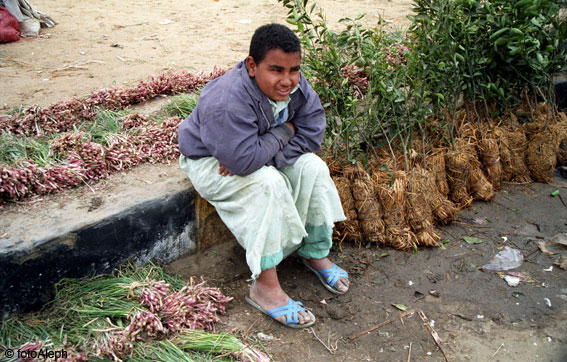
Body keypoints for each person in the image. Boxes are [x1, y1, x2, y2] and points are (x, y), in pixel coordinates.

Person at [177, 23, 349, 328]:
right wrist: (285, 130)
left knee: (313, 167)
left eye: (294, 70)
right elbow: (243, 161)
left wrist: (262, 151)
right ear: (252, 66)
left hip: (257, 151)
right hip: (211, 161)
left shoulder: (293, 85)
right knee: (266, 184)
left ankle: (314, 253)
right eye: (276, 70)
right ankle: (265, 288)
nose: (287, 81)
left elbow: (312, 131)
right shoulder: (227, 100)